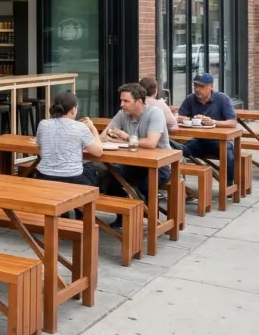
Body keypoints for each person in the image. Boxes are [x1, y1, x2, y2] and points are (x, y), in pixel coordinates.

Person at [102, 82, 172, 223]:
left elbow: (151, 143)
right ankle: (124, 215)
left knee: (146, 185)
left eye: (126, 101)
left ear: (139, 101)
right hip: (132, 163)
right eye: (121, 100)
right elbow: (103, 136)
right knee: (109, 177)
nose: (122, 104)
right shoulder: (123, 114)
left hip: (160, 165)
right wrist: (114, 136)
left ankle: (151, 220)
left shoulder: (155, 114)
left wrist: (126, 138)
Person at [177, 73, 238, 186]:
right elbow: (179, 116)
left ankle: (228, 186)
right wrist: (180, 118)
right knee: (179, 151)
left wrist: (214, 122)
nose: (197, 89)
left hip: (220, 141)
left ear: (211, 86)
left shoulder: (222, 99)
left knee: (229, 155)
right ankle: (179, 186)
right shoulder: (191, 99)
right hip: (199, 140)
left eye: (201, 86)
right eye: (195, 86)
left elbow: (232, 122)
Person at [34, 91, 102, 186]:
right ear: (73, 110)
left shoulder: (43, 124)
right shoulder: (81, 127)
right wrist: (93, 128)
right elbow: (98, 152)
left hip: (44, 176)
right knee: (90, 169)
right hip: (73, 179)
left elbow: (41, 150)